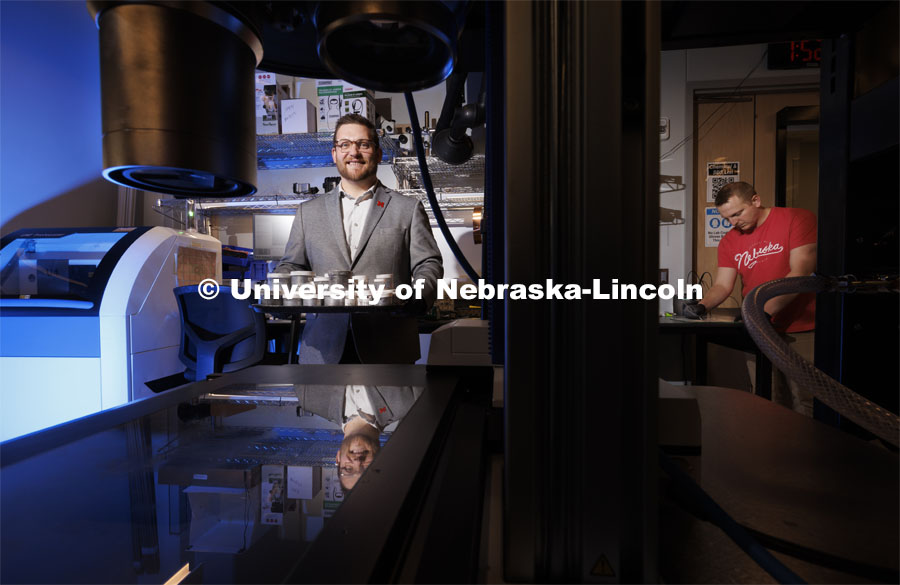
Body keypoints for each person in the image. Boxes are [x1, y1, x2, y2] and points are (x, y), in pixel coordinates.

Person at [276, 113, 443, 364]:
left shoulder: (407, 209)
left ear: (377, 153)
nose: (353, 152)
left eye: (363, 144)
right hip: (323, 350)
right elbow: (292, 266)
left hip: (389, 348)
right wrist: (280, 285)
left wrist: (419, 294)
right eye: (345, 144)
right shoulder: (307, 213)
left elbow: (428, 264)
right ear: (334, 154)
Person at [683, 181, 817, 415]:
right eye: (728, 219)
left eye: (737, 213)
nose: (733, 223)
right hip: (759, 332)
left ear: (756, 200)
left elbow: (800, 273)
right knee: (767, 401)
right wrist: (701, 305)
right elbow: (723, 285)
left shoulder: (797, 219)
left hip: (801, 328)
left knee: (806, 403)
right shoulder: (730, 241)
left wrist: (760, 311)